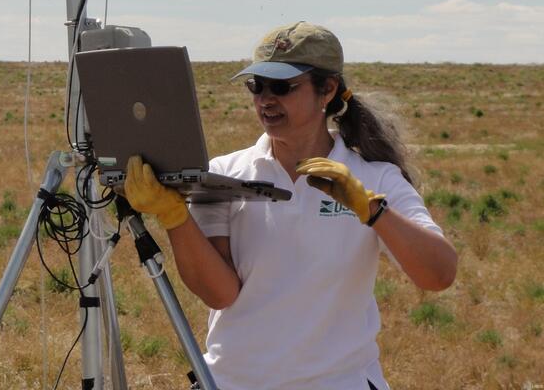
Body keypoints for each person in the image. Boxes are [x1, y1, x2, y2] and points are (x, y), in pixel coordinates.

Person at [124, 21, 458, 390]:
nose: (266, 99)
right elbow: (220, 294)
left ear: (327, 89)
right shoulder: (224, 174)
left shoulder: (375, 177)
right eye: (257, 86)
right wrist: (174, 217)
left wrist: (371, 210)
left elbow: (438, 275)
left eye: (282, 87)